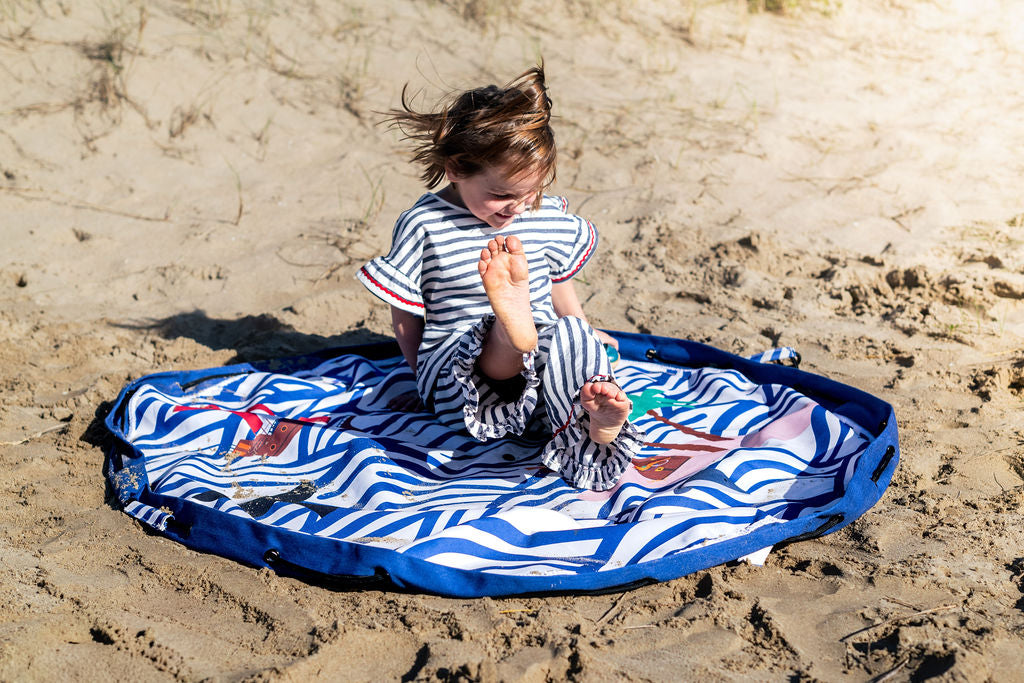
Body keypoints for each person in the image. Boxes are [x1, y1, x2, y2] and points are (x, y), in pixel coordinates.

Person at [356, 65, 644, 491]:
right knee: (498, 332)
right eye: (502, 195)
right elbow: (404, 312)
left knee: (571, 339)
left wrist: (583, 328)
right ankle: (509, 332)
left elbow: (557, 281)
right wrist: (421, 374)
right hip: (461, 378)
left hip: (535, 378)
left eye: (530, 193)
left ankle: (596, 428)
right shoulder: (426, 223)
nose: (516, 208)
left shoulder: (542, 215)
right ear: (455, 168)